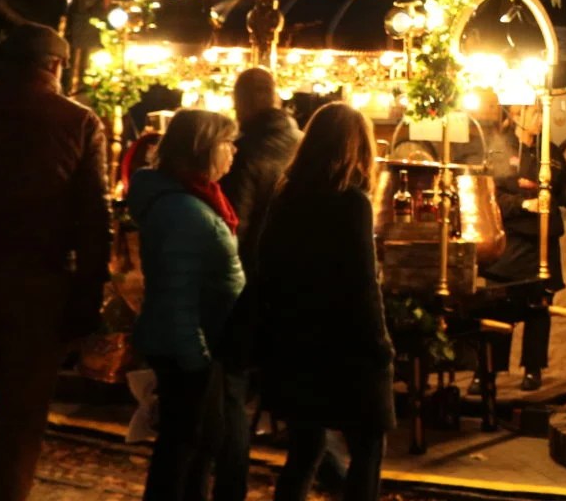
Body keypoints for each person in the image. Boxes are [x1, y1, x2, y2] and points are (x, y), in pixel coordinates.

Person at [0, 23, 111, 501]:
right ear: (55, 66)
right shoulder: (78, 122)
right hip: (40, 287)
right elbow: (92, 217)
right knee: (22, 417)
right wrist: (88, 293)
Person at [252, 102, 393, 501]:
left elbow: (268, 265)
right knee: (367, 446)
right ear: (357, 148)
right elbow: (362, 283)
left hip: (295, 341)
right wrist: (379, 344)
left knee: (305, 449)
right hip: (344, 346)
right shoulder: (351, 202)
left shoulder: (287, 196)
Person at [128, 110, 247, 501]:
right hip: (191, 349)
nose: (233, 151)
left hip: (199, 344)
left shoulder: (193, 200)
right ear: (203, 150)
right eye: (226, 143)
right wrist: (194, 359)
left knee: (196, 445)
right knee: (185, 447)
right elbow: (178, 295)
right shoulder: (184, 211)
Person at [480, 103, 566, 390]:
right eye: (534, 113)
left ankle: (533, 370)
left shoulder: (552, 153)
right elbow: (490, 195)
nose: (540, 119)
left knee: (539, 306)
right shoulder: (498, 149)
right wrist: (524, 203)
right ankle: (488, 371)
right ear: (517, 115)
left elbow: (565, 191)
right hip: (510, 244)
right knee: (499, 307)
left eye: (541, 113)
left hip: (544, 245)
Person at [220, 68, 302, 264]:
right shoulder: (304, 142)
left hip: (257, 263)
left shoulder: (241, 153)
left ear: (242, 103)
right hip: (297, 259)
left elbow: (236, 223)